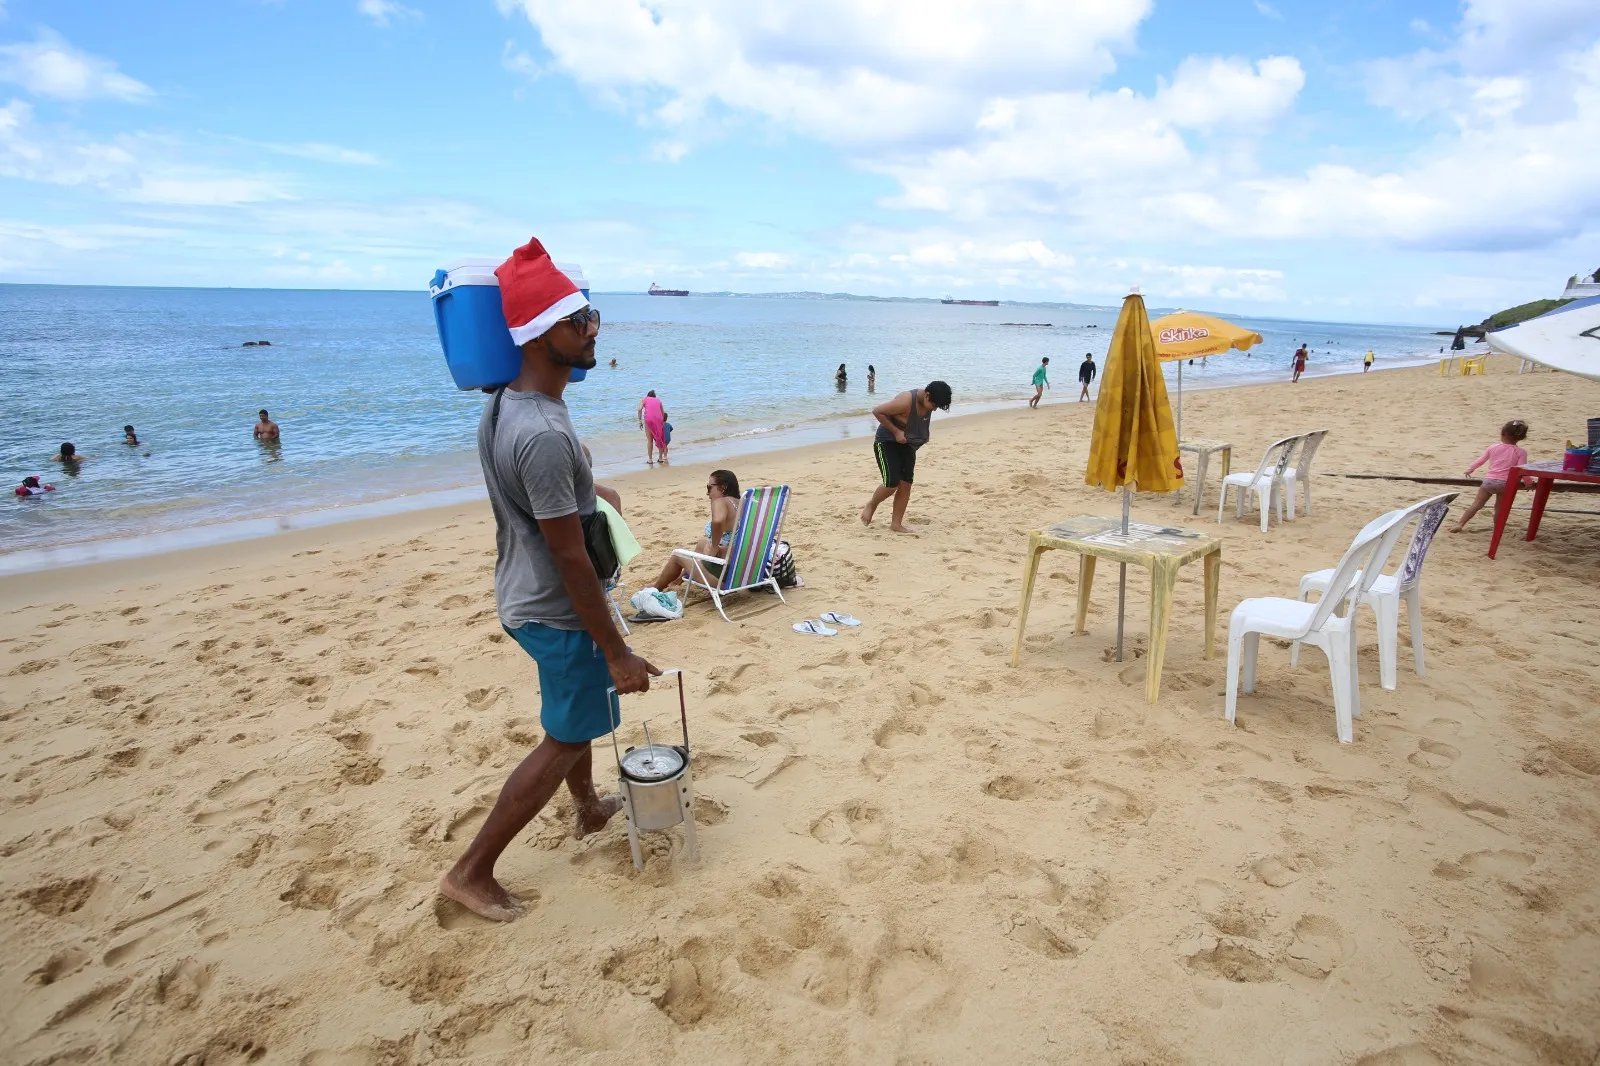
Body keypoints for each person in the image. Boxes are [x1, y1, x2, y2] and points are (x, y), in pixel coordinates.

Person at [440, 236, 657, 924]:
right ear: (538, 334)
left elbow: (551, 511)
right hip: (555, 606)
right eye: (580, 320)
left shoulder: (508, 403)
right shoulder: (540, 432)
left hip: (527, 592)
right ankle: (471, 873)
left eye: (592, 316)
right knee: (565, 736)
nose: (594, 329)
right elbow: (568, 557)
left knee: (576, 716)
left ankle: (589, 807)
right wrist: (618, 650)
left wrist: (595, 495)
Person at [634, 469, 741, 606]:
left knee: (678, 554)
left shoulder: (720, 502)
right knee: (702, 543)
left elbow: (718, 521)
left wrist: (715, 547)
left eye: (710, 487)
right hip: (744, 574)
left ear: (723, 487)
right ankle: (681, 576)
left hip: (723, 581)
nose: (708, 493)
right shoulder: (742, 503)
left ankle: (656, 587)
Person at [859, 380, 952, 534]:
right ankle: (872, 504)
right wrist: (896, 432)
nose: (934, 410)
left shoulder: (928, 400)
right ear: (927, 395)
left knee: (905, 484)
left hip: (907, 443)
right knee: (891, 483)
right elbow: (877, 411)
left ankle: (896, 524)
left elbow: (919, 421)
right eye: (934, 405)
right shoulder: (905, 401)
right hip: (887, 441)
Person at [1450, 419, 1531, 533]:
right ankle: (1497, 530)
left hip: (1489, 481)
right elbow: (1522, 469)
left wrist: (1470, 469)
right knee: (1499, 508)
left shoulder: (1493, 447)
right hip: (1506, 484)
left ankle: (1461, 523)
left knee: (1477, 504)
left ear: (1502, 433)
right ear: (1521, 437)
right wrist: (1528, 482)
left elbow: (1481, 460)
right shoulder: (1521, 452)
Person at [637, 390, 668, 465]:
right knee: (659, 438)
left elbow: (639, 409)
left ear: (648, 395)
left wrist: (640, 421)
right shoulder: (658, 400)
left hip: (649, 419)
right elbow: (663, 413)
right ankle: (660, 458)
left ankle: (650, 460)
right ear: (654, 396)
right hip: (659, 419)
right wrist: (663, 423)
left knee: (649, 440)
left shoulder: (644, 399)